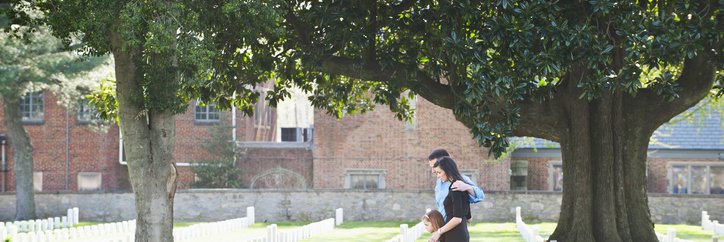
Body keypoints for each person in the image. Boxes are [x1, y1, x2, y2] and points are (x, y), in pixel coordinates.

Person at [427, 149, 484, 220]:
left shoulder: (461, 179)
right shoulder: (439, 182)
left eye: (434, 166)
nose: (433, 171)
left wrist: (467, 187)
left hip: (454, 227)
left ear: (444, 163)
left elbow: (480, 196)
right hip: (443, 227)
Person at [429, 156, 470, 242]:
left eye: (439, 172)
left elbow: (457, 219)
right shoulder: (460, 186)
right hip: (459, 233)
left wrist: (439, 232)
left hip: (455, 235)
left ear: (447, 170)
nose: (438, 176)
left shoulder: (455, 188)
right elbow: (468, 217)